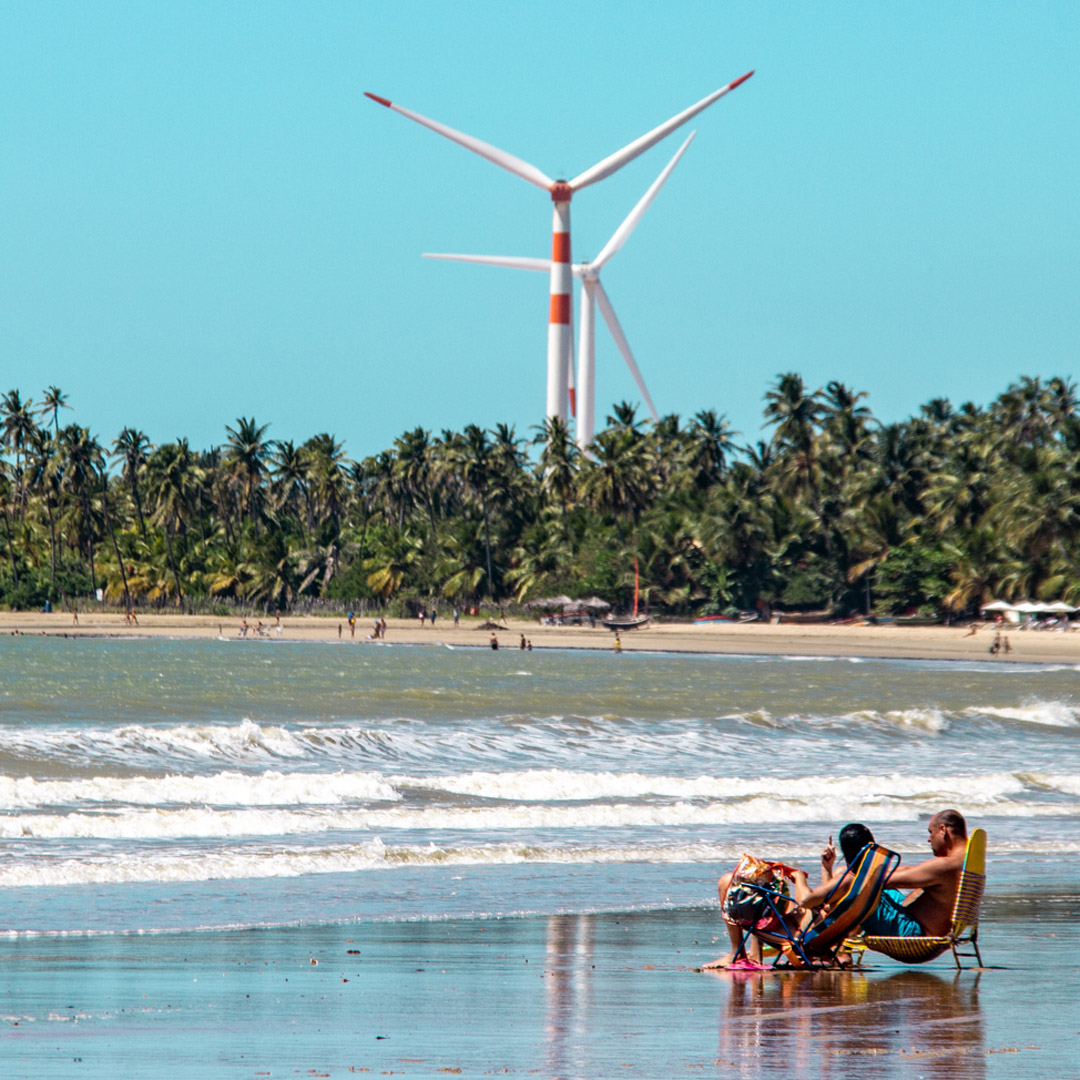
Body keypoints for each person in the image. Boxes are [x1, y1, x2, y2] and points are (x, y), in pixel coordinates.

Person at [858, 810, 969, 939]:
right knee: (855, 883)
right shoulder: (965, 861)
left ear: (943, 830)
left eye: (931, 832)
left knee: (854, 888)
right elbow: (915, 870)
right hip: (920, 925)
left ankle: (834, 949)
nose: (929, 839)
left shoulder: (946, 865)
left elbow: (880, 881)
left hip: (913, 933)